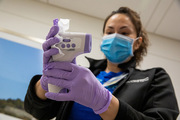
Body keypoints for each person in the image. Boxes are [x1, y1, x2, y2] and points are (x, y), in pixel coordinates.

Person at [24, 7, 179, 120]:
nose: (115, 37)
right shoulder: (82, 76)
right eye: (110, 32)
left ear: (137, 43)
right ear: (103, 37)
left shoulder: (154, 78)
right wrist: (47, 81)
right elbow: (38, 112)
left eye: (124, 33)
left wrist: (105, 102)